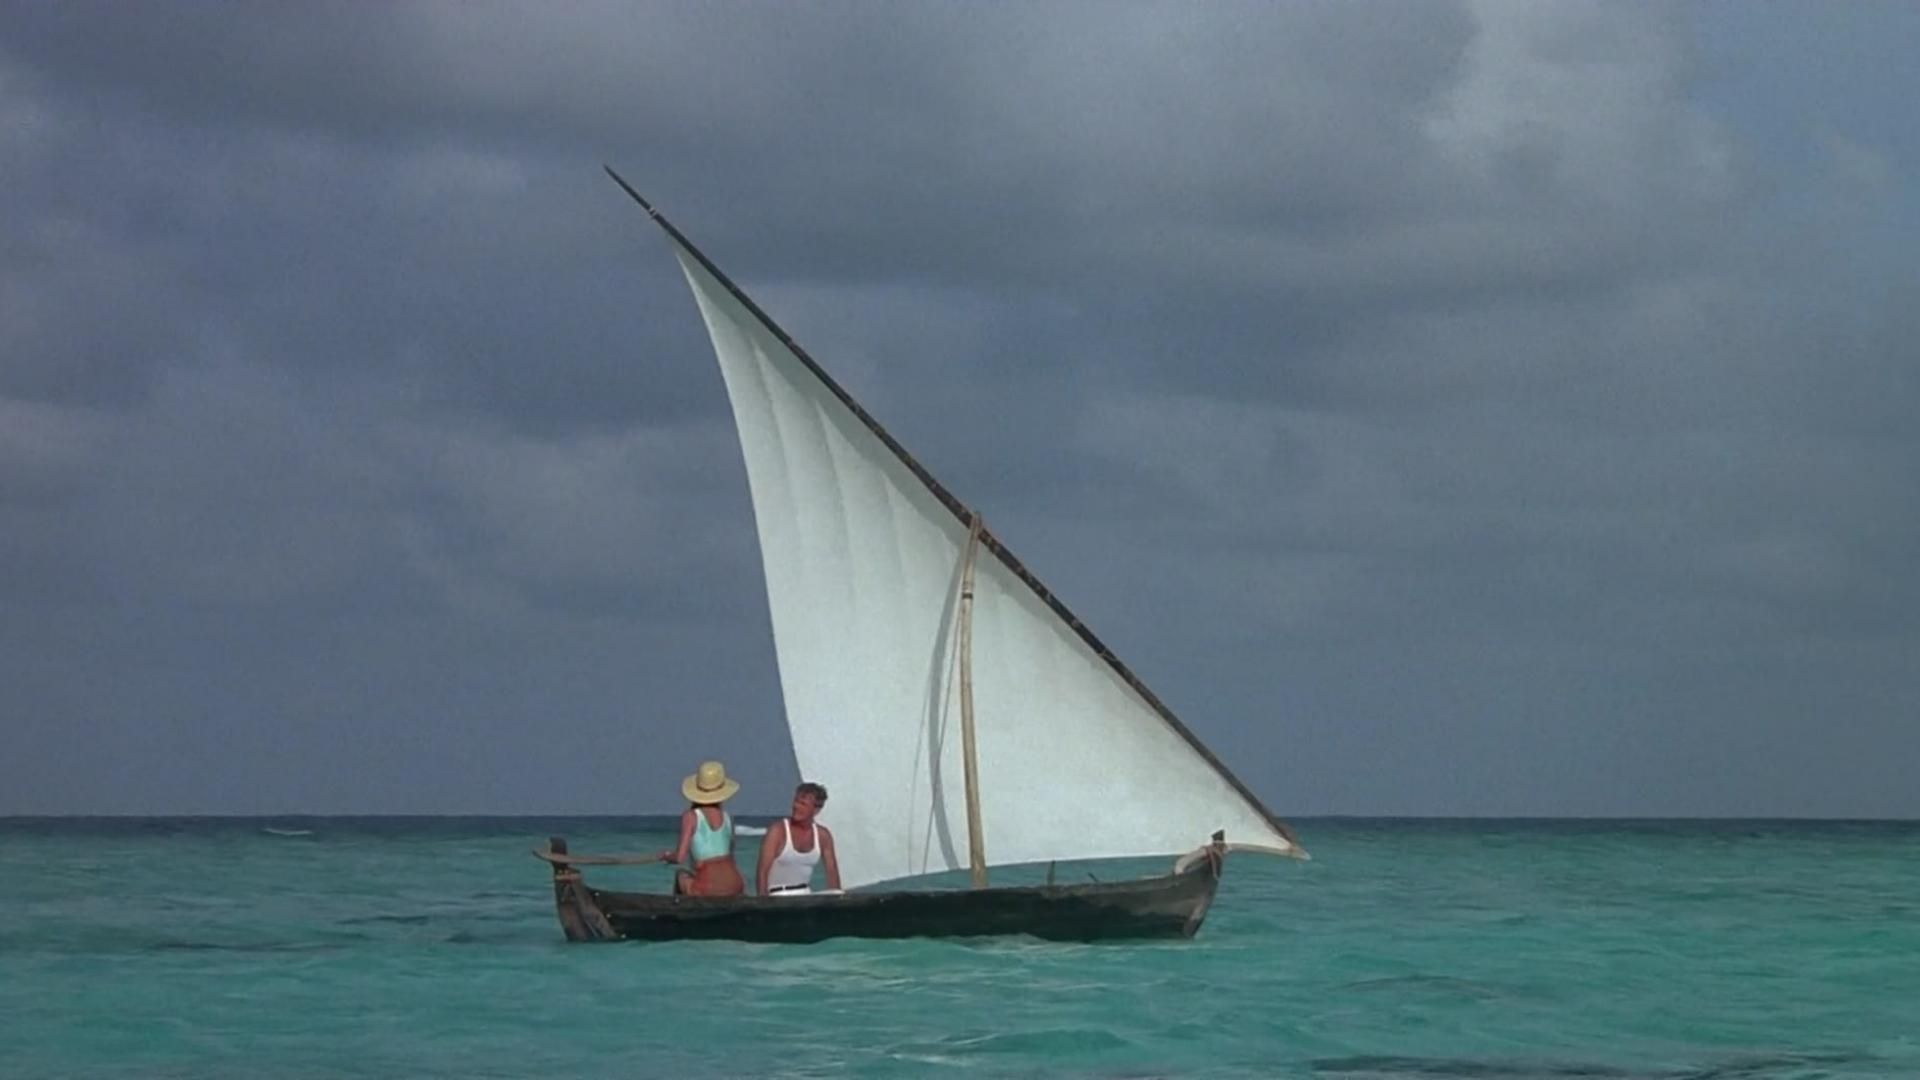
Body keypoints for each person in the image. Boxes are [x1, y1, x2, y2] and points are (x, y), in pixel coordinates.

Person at [658, 760, 745, 897]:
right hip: (735, 884)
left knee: (681, 875)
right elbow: (730, 855)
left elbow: (680, 857)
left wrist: (667, 856)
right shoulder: (728, 818)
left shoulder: (691, 817)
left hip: (708, 886)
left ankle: (679, 915)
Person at [756, 781, 842, 896]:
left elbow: (832, 871)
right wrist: (763, 903)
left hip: (805, 895)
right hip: (777, 895)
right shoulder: (778, 831)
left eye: (803, 804)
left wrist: (837, 900)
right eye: (796, 801)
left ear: (816, 810)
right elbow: (762, 871)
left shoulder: (823, 836)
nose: (796, 806)